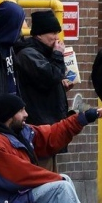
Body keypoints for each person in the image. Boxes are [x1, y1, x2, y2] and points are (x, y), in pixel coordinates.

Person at [14, 10, 74, 171]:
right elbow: (48, 76)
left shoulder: (43, 53)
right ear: (39, 34)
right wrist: (57, 56)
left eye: (57, 33)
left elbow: (50, 79)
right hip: (39, 124)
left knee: (51, 172)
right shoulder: (28, 54)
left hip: (49, 123)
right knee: (43, 173)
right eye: (52, 33)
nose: (56, 37)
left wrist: (61, 85)